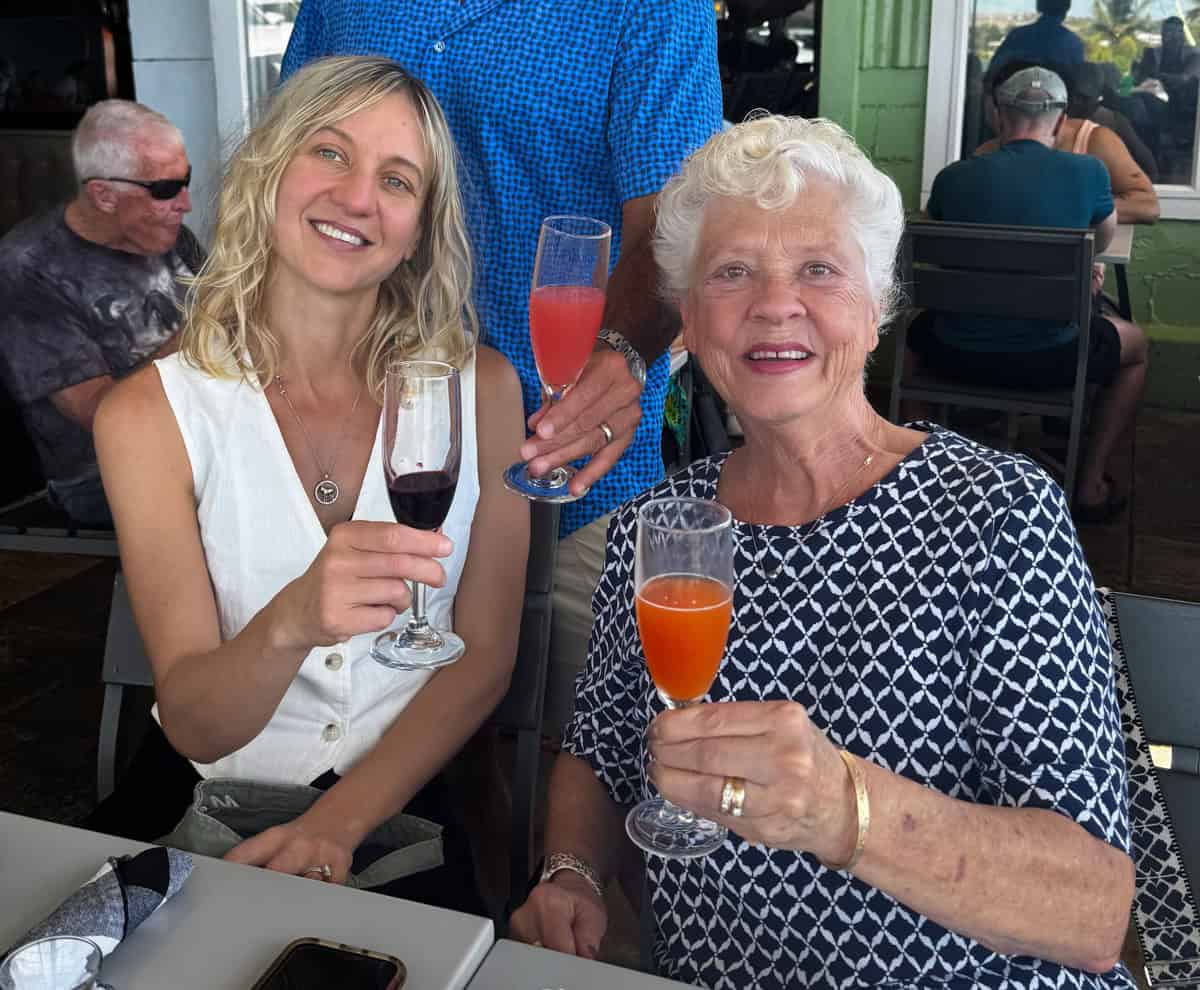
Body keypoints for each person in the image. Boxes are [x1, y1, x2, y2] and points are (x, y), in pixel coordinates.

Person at [511, 114, 1136, 990]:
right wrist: (571, 872)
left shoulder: (998, 513)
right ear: (688, 320)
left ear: (876, 310)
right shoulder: (666, 524)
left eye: (818, 269)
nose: (775, 304)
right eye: (732, 273)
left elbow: (1094, 909)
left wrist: (845, 812)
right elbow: (602, 754)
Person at [87, 56, 528, 914]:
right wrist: (293, 618)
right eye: (329, 153)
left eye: (397, 180)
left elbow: (483, 655)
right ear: (268, 170)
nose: (359, 196)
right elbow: (195, 724)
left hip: (404, 802)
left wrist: (341, 823)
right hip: (210, 801)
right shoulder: (147, 415)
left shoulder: (484, 390)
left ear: (420, 227)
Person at [280, 1, 723, 733]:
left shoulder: (652, 8)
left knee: (584, 744)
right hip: (358, 447)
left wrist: (622, 351)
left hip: (565, 455)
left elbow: (678, 220)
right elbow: (293, 153)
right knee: (360, 731)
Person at [915, 66, 1147, 523]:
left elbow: (940, 248)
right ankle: (1090, 485)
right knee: (1136, 348)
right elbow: (1098, 243)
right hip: (1053, 355)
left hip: (955, 353)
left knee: (912, 344)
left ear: (998, 116)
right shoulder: (1089, 173)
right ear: (1060, 122)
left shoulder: (953, 177)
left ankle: (926, 482)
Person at [0, 100, 201, 526]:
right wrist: (203, 331)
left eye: (186, 181)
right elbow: (103, 414)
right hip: (102, 477)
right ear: (104, 194)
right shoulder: (26, 269)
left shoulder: (167, 234)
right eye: (165, 189)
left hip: (201, 441)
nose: (184, 203)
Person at [976, 60, 1160, 224]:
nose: (1025, 113)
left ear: (1059, 117)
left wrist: (1074, 207)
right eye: (1011, 105)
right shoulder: (986, 156)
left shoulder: (1095, 141)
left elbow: (1147, 205)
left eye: (1034, 103)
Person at [989, 0, 1084, 74]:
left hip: (1012, 97)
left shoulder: (1017, 36)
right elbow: (1077, 81)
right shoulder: (1073, 44)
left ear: (1039, 5)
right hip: (1058, 98)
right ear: (1067, 7)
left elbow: (993, 70)